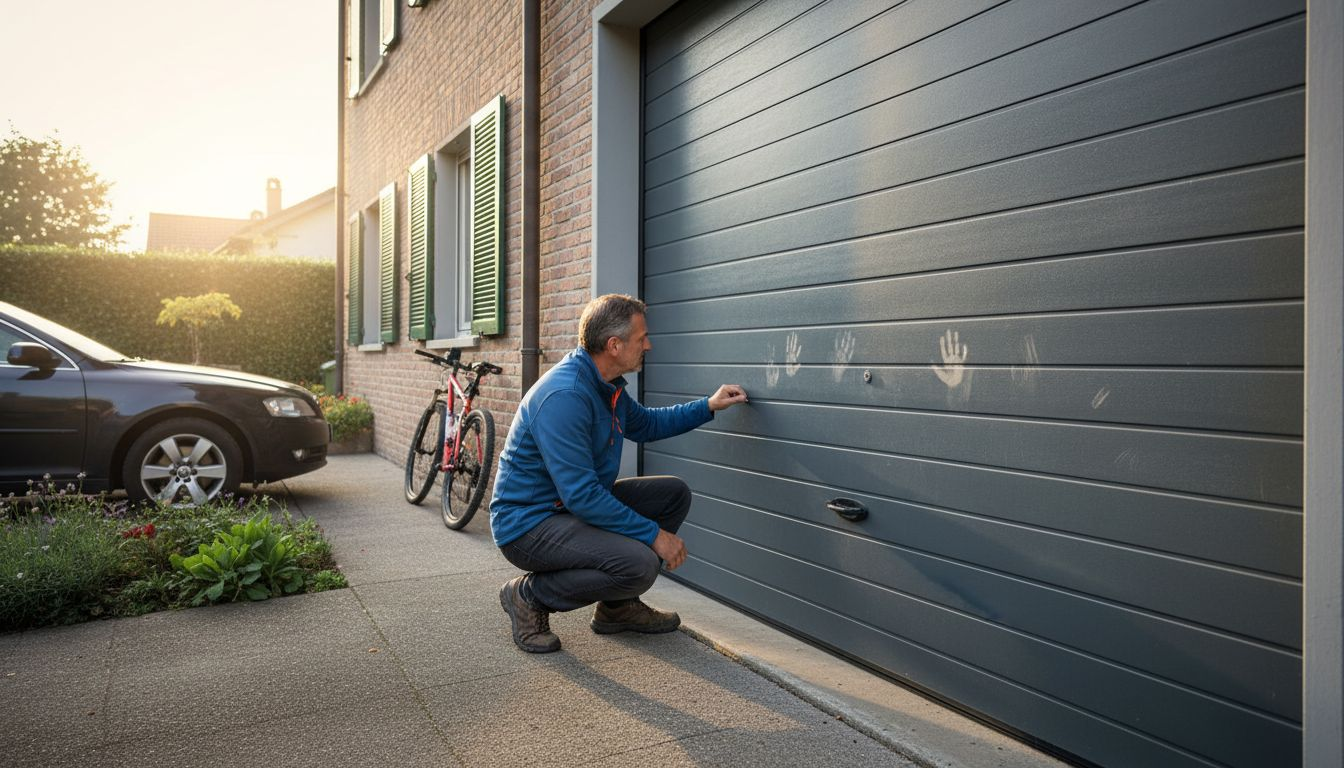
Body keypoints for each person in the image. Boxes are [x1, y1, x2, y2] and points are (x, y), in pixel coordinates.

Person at [490, 294, 749, 653]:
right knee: (639, 563)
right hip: (528, 524)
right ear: (614, 345)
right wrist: (654, 535)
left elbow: (645, 424)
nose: (649, 345)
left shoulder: (604, 384)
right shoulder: (565, 397)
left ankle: (617, 607)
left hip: (567, 508)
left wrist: (707, 406)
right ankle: (527, 596)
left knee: (671, 494)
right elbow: (582, 497)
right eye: (642, 338)